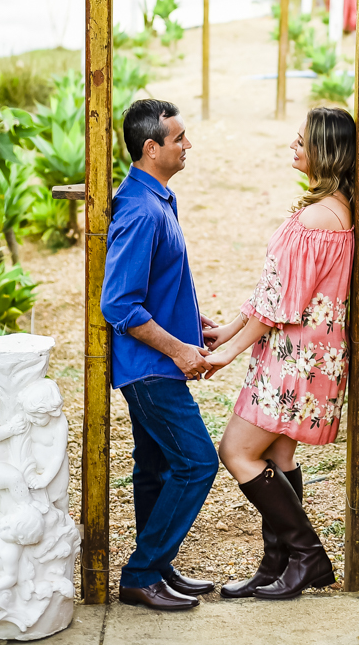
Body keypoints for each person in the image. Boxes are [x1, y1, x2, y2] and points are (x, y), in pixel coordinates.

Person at [203, 107, 355, 600]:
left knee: (236, 451)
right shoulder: (325, 208)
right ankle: (278, 564)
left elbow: (280, 305)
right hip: (297, 352)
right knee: (276, 451)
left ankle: (308, 555)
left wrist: (227, 356)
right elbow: (275, 288)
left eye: (301, 142)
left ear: (324, 152)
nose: (294, 146)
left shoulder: (318, 217)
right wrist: (227, 331)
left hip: (298, 357)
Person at [100, 98, 219, 613]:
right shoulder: (142, 210)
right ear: (151, 148)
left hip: (156, 361)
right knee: (197, 463)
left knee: (155, 468)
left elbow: (155, 286)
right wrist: (180, 351)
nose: (187, 144)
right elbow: (119, 303)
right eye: (179, 138)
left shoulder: (158, 199)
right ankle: (142, 572)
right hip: (150, 370)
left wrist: (196, 327)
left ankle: (159, 568)